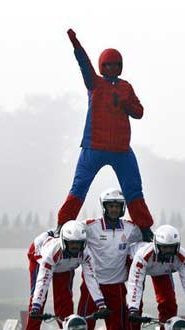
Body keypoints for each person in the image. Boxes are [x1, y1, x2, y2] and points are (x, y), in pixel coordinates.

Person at [56, 28, 155, 242]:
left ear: (120, 67)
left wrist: (126, 103)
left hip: (121, 149)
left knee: (134, 189)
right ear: (102, 66)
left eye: (116, 64)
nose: (112, 68)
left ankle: (145, 228)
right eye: (108, 64)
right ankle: (63, 225)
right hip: (94, 147)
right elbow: (84, 64)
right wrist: (76, 44)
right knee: (79, 187)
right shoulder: (95, 83)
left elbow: (139, 112)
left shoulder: (126, 87)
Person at [78, 187, 142, 330]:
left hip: (117, 288)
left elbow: (148, 236)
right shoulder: (90, 227)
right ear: (104, 207)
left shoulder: (131, 229)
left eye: (117, 206)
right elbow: (68, 231)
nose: (114, 209)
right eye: (110, 206)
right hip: (92, 287)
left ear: (122, 208)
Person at [23, 221, 108, 330]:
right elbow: (42, 282)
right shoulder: (52, 253)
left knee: (65, 301)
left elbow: (91, 279)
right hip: (40, 258)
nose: (75, 247)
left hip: (65, 265)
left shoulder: (86, 253)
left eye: (78, 243)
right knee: (37, 302)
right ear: (64, 242)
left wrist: (101, 305)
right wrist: (36, 306)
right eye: (72, 243)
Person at [126, 225, 185, 330]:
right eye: (165, 247)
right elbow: (135, 283)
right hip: (131, 261)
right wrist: (133, 309)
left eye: (172, 247)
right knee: (132, 308)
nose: (168, 251)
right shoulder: (142, 255)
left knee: (169, 304)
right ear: (156, 245)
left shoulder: (183, 257)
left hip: (161, 270)